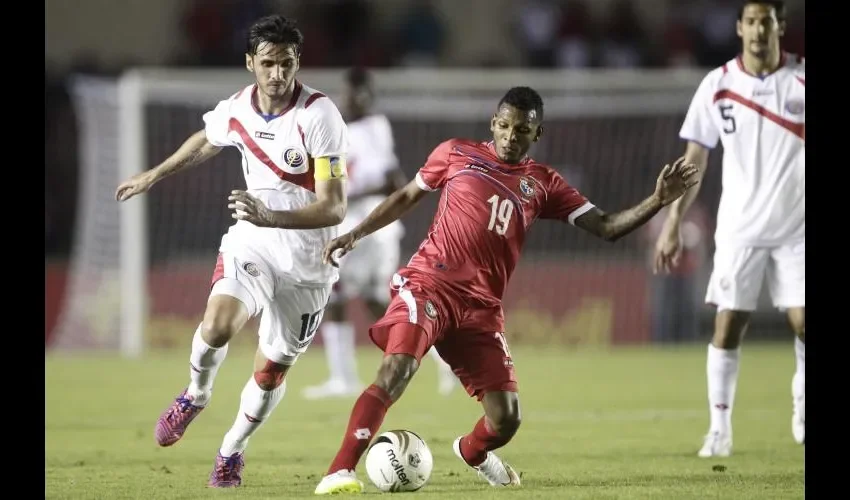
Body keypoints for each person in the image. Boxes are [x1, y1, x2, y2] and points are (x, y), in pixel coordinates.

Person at [312, 86, 699, 494]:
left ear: (537, 133)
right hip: (429, 284)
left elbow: (606, 227)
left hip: (481, 308)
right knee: (398, 368)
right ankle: (340, 471)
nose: (511, 136)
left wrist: (658, 201)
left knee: (506, 419)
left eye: (522, 130)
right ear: (494, 123)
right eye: (505, 126)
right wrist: (354, 234)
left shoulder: (544, 183)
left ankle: (472, 451)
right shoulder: (455, 153)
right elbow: (406, 196)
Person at [114, 15, 349, 487]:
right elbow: (207, 138)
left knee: (270, 373)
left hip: (309, 262)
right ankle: (195, 395)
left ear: (298, 62)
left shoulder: (319, 115)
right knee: (218, 325)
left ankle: (231, 451)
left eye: (286, 63)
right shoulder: (238, 107)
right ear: (250, 63)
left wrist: (271, 215)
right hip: (253, 243)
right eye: (268, 63)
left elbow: (334, 207)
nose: (277, 74)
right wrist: (154, 175)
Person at [653, 0, 804, 457]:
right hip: (740, 228)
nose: (759, 30)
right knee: (729, 325)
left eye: (767, 21)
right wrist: (673, 221)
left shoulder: (800, 79)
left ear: (780, 26)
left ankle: (801, 401)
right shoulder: (717, 85)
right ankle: (719, 430)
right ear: (740, 27)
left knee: (803, 320)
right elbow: (694, 161)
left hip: (797, 227)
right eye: (751, 21)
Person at [302, 67, 458, 400]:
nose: (346, 99)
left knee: (333, 292)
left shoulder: (371, 129)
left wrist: (342, 196)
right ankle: (446, 359)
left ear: (364, 96)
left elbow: (391, 181)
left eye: (351, 93)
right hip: (366, 229)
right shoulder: (355, 129)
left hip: (366, 227)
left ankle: (344, 378)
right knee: (375, 302)